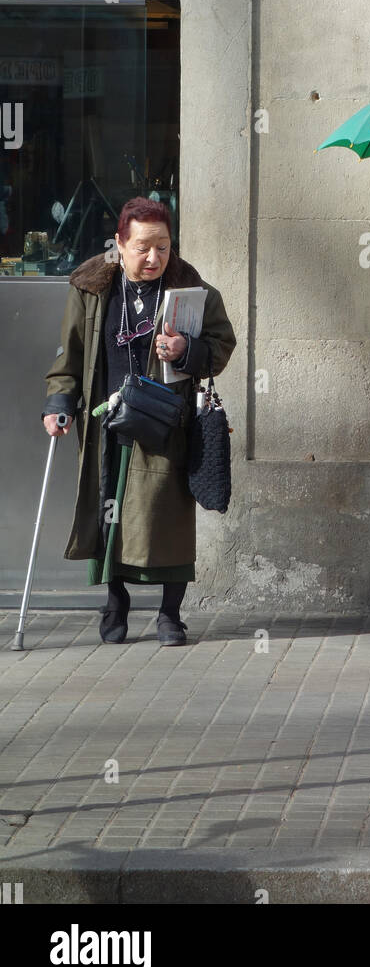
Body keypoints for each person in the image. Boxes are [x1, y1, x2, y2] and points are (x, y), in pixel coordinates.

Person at [41, 197, 236, 646]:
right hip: (107, 421)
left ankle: (170, 614)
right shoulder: (91, 288)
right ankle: (116, 603)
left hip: (167, 420)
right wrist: (59, 404)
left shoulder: (192, 290)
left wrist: (187, 349)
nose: (155, 258)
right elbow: (68, 354)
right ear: (120, 245)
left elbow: (221, 346)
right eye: (143, 247)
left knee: (166, 516)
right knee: (109, 511)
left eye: (163, 247)